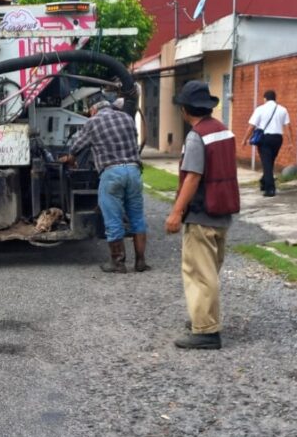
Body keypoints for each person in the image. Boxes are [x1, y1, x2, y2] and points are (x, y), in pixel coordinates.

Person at [166, 81, 238, 350]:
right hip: (222, 210)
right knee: (210, 271)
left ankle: (206, 331)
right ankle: (202, 318)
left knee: (199, 273)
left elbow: (193, 177)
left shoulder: (196, 136)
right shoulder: (223, 130)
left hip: (201, 213)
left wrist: (176, 212)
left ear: (185, 110)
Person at [60, 98, 150, 273]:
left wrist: (71, 158)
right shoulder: (127, 118)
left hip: (112, 173)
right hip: (133, 171)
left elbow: (76, 147)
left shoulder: (93, 122)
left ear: (94, 110)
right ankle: (140, 262)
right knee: (137, 217)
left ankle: (118, 263)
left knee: (113, 218)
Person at [244, 90, 292, 197]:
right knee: (269, 162)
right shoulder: (283, 109)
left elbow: (251, 126)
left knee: (267, 163)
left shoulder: (260, 109)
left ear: (265, 98)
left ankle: (270, 189)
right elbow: (288, 127)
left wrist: (244, 140)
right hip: (278, 139)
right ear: (275, 98)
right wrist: (290, 142)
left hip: (265, 139)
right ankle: (264, 181)